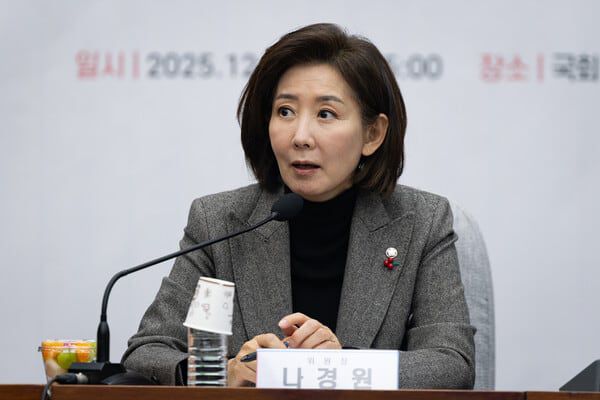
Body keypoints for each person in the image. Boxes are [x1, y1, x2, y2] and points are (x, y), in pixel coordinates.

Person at [122, 23, 475, 389]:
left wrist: (341, 365)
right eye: (286, 111)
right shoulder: (220, 222)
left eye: (326, 114)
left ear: (372, 134)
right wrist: (223, 373)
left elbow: (453, 364)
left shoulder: (422, 222)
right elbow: (147, 352)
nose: (300, 137)